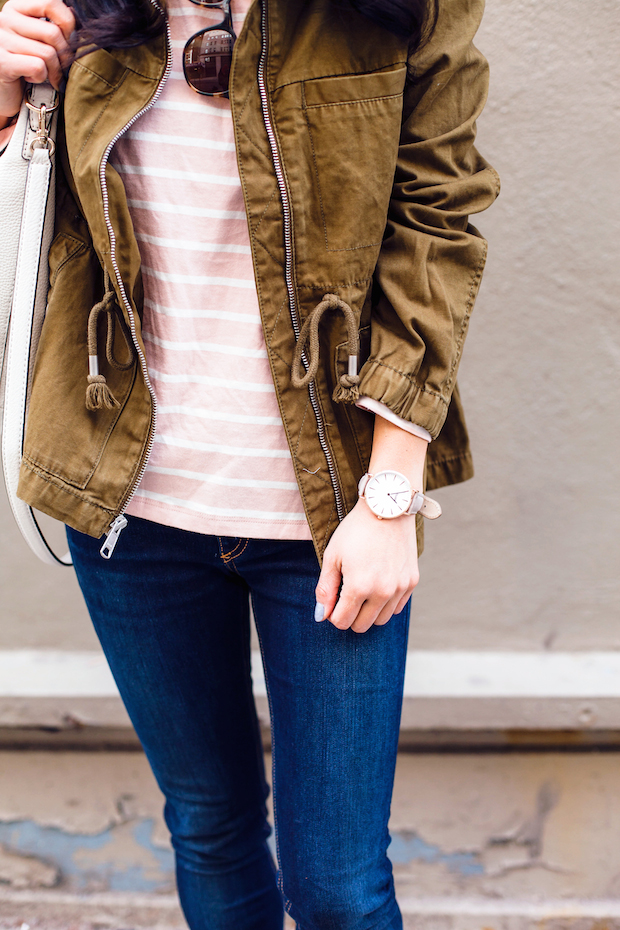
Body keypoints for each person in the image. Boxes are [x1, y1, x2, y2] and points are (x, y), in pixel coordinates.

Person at [0, 0, 499, 926]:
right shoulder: (72, 13)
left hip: (329, 517)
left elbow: (439, 221)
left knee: (338, 886)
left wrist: (391, 496)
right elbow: (39, 229)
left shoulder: (400, 13)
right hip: (129, 510)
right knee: (210, 827)